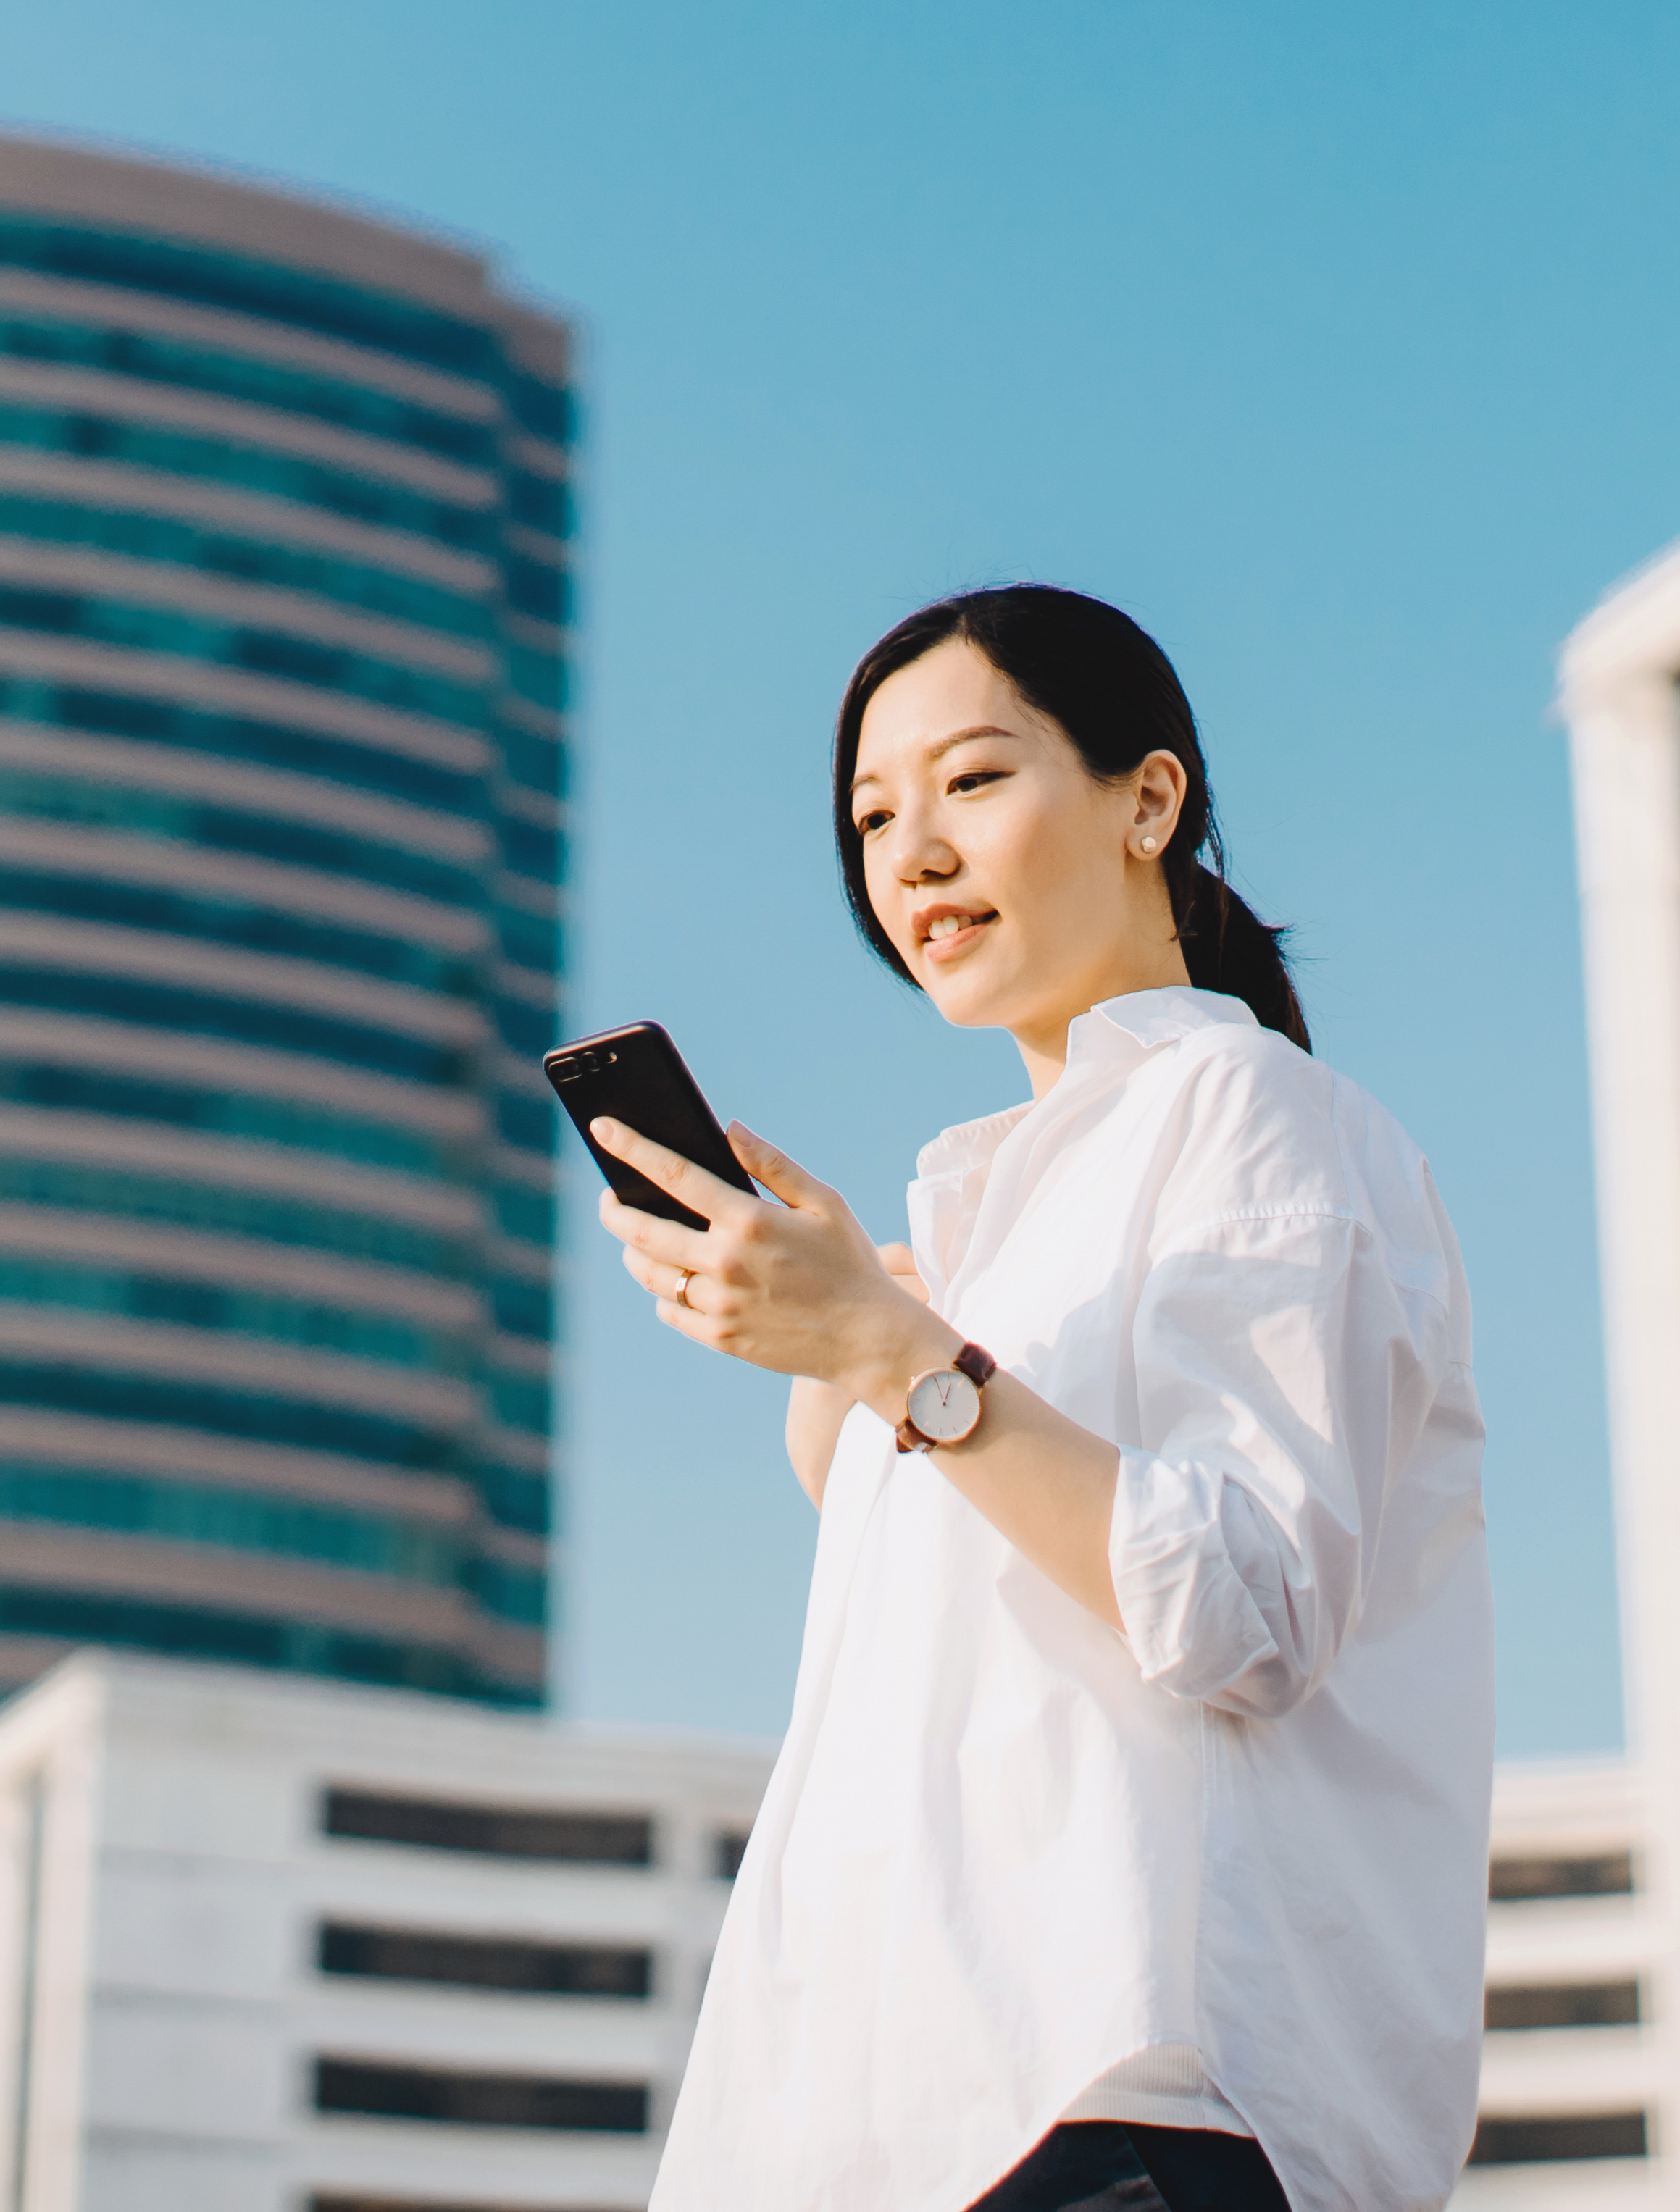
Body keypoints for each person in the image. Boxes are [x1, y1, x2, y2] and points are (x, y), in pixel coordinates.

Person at [602, 585, 1495, 2212]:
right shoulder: (967, 1231)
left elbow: (1251, 1601)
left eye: (973, 779)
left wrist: (894, 1356)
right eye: (873, 814)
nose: (912, 851)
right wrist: (847, 1351)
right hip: (876, 2136)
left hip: (1135, 2107)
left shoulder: (1256, 1111)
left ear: (1148, 799)